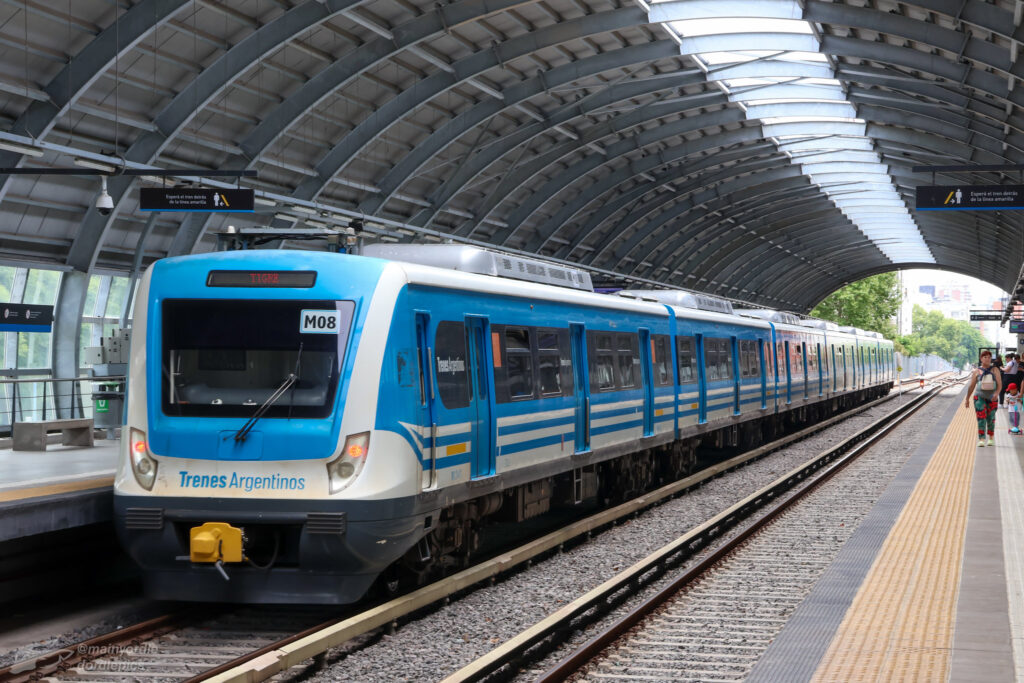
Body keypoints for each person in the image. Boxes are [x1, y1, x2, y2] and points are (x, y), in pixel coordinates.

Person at [966, 350, 1002, 447]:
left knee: (991, 418)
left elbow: (1000, 385)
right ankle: (981, 439)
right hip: (979, 397)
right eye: (985, 357)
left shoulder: (995, 370)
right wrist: (967, 399)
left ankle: (991, 437)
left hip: (992, 398)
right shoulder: (977, 371)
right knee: (981, 417)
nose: (987, 359)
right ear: (981, 358)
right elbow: (971, 386)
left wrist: (997, 393)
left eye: (989, 357)